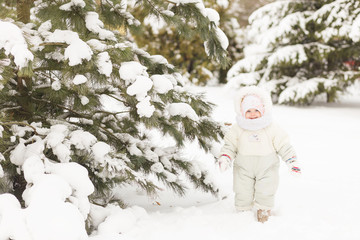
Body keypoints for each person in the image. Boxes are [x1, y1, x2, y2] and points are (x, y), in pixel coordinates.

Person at [217, 86, 301, 223]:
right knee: (242, 190)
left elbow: (283, 145)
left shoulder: (271, 127)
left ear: (263, 110)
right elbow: (230, 145)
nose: (253, 114)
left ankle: (263, 213)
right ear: (242, 111)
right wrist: (225, 158)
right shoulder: (238, 128)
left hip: (267, 167)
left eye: (256, 110)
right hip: (243, 168)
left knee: (266, 189)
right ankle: (242, 215)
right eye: (248, 111)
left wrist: (292, 161)